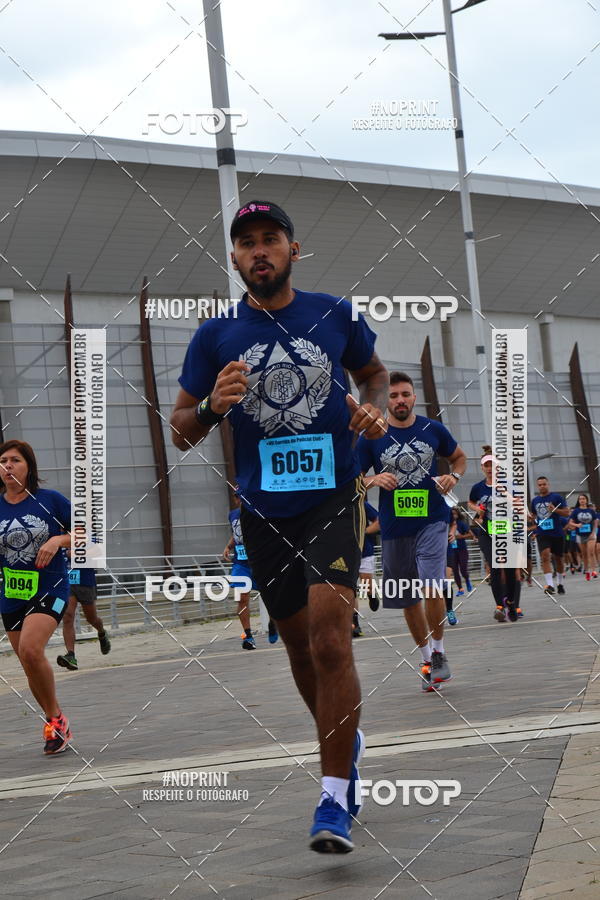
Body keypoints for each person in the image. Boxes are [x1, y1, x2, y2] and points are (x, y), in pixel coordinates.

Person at [170, 200, 388, 854]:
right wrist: (212, 404)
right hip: (263, 511)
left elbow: (373, 375)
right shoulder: (215, 336)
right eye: (247, 243)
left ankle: (333, 795)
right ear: (235, 259)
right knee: (297, 648)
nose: (259, 251)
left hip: (333, 495)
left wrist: (374, 412)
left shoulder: (334, 313)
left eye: (271, 239)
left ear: (294, 249)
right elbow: (181, 430)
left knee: (329, 641)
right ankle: (343, 744)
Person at [358, 372, 467, 692]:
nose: (400, 400)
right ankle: (426, 656)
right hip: (394, 528)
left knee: (432, 584)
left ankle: (440, 654)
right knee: (405, 597)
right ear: (385, 401)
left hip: (432, 519)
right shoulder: (371, 437)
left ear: (414, 397)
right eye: (393, 396)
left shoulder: (433, 429)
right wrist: (373, 480)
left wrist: (455, 478)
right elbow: (353, 479)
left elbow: (458, 458)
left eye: (405, 394)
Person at [0, 439, 72, 754]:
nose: (7, 466)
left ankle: (55, 722)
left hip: (51, 586)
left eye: (14, 460)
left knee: (31, 648)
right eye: (3, 461)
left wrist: (58, 539)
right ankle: (55, 719)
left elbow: (90, 532)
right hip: (13, 592)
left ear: (28, 466)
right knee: (28, 661)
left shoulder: (49, 500)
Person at [469, 447, 523, 622]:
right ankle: (499, 606)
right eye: (487, 465)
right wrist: (477, 509)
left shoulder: (508, 484)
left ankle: (512, 603)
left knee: (508, 569)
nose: (490, 468)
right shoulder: (477, 487)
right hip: (486, 530)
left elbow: (518, 503)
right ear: (482, 468)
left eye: (493, 465)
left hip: (506, 529)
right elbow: (470, 502)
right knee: (493, 566)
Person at [222, 493, 278, 648]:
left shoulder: (259, 512)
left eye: (244, 497)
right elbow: (237, 533)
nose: (241, 500)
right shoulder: (233, 514)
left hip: (260, 562)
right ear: (235, 499)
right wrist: (228, 546)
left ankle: (274, 622)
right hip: (241, 563)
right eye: (238, 497)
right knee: (242, 598)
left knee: (269, 596)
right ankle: (247, 636)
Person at [56, 563, 111, 670]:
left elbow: (99, 556)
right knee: (67, 617)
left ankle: (102, 632)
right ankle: (71, 655)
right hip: (67, 580)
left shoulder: (90, 544)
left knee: (91, 619)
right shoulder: (57, 545)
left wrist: (77, 553)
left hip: (85, 580)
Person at [530, 476, 570, 595]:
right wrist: (531, 518)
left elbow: (567, 512)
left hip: (557, 533)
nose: (542, 486)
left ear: (548, 484)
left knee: (559, 560)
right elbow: (534, 515)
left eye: (544, 484)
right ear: (538, 486)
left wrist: (555, 510)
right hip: (542, 533)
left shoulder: (556, 497)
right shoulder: (535, 500)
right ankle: (550, 585)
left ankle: (560, 583)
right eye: (540, 485)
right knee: (545, 556)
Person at [354, 500, 379, 633]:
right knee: (350, 589)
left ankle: (371, 595)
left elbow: (379, 521)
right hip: (344, 552)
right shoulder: (333, 503)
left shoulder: (362, 504)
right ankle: (355, 624)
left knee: (366, 584)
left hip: (365, 551)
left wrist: (364, 532)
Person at [569, 493, 598, 580]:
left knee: (591, 552)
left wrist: (593, 532)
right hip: (580, 535)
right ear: (578, 501)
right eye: (580, 499)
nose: (582, 500)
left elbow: (595, 522)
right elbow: (570, 522)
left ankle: (593, 571)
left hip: (591, 534)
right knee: (584, 554)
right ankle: (587, 571)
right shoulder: (576, 511)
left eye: (584, 499)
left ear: (586, 500)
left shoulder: (591, 511)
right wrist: (577, 525)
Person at [448, 506, 473, 597]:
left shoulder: (461, 523)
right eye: (452, 514)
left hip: (462, 549)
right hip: (451, 551)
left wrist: (460, 537)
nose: (454, 515)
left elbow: (471, 534)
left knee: (463, 568)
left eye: (455, 513)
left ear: (458, 514)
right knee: (455, 570)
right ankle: (460, 589)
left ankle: (467, 580)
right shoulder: (447, 524)